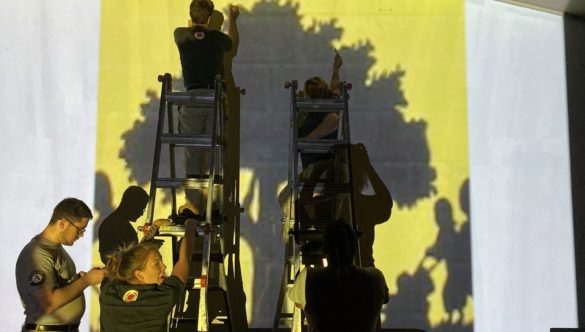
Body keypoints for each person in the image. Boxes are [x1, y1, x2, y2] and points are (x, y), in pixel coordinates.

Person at [174, 0, 240, 217]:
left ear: (190, 17)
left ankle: (192, 203)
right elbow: (231, 43)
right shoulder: (217, 39)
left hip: (192, 97)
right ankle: (215, 203)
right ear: (210, 20)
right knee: (215, 151)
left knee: (192, 151)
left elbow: (191, 31)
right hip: (214, 97)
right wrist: (233, 19)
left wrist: (193, 26)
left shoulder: (180, 35)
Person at [15, 198, 105, 332]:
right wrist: (86, 281)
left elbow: (57, 288)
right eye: (80, 229)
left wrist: (75, 280)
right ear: (62, 223)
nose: (81, 235)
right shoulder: (37, 254)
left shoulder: (54, 249)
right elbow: (48, 303)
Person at [288, 220, 389, 332]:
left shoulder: (309, 277)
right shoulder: (376, 277)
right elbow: (384, 299)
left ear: (325, 248)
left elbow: (298, 302)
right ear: (355, 247)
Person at [99, 218, 196, 332]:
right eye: (156, 264)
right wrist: (190, 226)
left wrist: (153, 229)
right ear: (139, 275)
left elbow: (132, 261)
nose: (164, 267)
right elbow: (184, 259)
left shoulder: (108, 292)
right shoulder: (161, 297)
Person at [98, 185, 149, 264]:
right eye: (141, 208)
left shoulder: (114, 223)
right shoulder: (113, 226)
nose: (141, 214)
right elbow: (120, 260)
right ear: (132, 205)